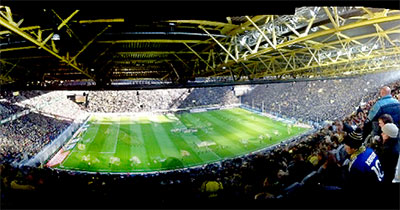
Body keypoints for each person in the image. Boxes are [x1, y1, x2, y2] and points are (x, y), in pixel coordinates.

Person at [342, 128, 384, 196]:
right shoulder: (369, 150)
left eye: (347, 146)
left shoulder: (356, 165)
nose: (344, 148)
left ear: (354, 148)